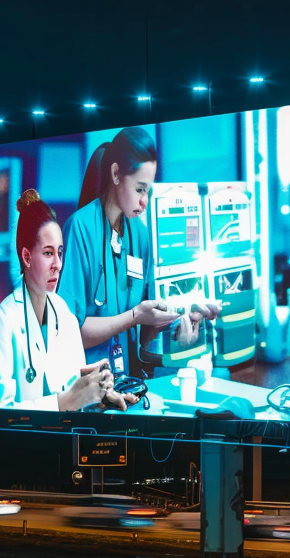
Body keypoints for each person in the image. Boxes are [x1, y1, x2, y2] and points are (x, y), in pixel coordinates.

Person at [58, 127, 218, 381]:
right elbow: (70, 334)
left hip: (129, 382)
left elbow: (144, 334)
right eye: (140, 189)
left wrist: (184, 315)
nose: (145, 201)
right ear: (116, 175)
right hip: (85, 386)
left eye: (148, 191)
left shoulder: (140, 235)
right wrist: (134, 317)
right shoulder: (80, 228)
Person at [0, 189, 133, 411]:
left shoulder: (62, 311)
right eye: (48, 253)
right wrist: (68, 401)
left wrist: (99, 392)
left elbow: (69, 381)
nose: (58, 264)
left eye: (60, 252)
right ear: (26, 257)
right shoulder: (3, 322)